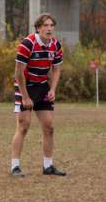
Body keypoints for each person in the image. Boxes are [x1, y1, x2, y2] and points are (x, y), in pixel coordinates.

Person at [10, 13, 66, 178]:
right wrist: (25, 97)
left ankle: (48, 166)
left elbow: (56, 69)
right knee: (24, 125)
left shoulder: (55, 45)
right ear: (38, 28)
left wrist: (53, 89)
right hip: (25, 86)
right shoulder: (27, 44)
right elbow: (18, 73)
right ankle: (15, 166)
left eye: (51, 25)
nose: (49, 29)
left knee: (49, 127)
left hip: (42, 87)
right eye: (45, 25)